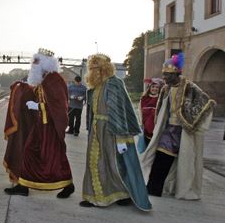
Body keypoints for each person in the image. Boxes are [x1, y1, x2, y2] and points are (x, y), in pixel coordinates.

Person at [80, 54, 151, 211]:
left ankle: (122, 194)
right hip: (97, 129)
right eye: (90, 69)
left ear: (102, 69)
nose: (91, 72)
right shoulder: (94, 86)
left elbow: (120, 111)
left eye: (94, 68)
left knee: (115, 164)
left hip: (113, 129)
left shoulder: (114, 84)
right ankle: (94, 196)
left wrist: (120, 137)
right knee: (94, 163)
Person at [141, 53, 215, 199]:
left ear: (176, 74)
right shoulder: (165, 89)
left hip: (184, 130)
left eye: (167, 75)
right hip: (169, 129)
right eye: (163, 74)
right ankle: (153, 189)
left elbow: (206, 102)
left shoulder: (189, 87)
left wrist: (189, 119)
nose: (164, 78)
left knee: (183, 162)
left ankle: (168, 189)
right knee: (161, 157)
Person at [3, 48, 74, 198]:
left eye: (37, 61)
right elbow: (35, 93)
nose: (33, 64)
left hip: (51, 127)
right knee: (28, 152)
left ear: (46, 63)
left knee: (55, 157)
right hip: (39, 126)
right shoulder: (44, 79)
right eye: (33, 61)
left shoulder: (55, 79)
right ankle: (23, 186)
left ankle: (67, 184)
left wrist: (39, 106)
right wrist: (20, 87)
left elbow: (60, 105)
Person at [139, 78, 164, 147]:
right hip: (146, 129)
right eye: (153, 87)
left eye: (157, 87)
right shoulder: (144, 98)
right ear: (149, 87)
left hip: (157, 129)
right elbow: (140, 112)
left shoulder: (161, 99)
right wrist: (141, 124)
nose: (155, 89)